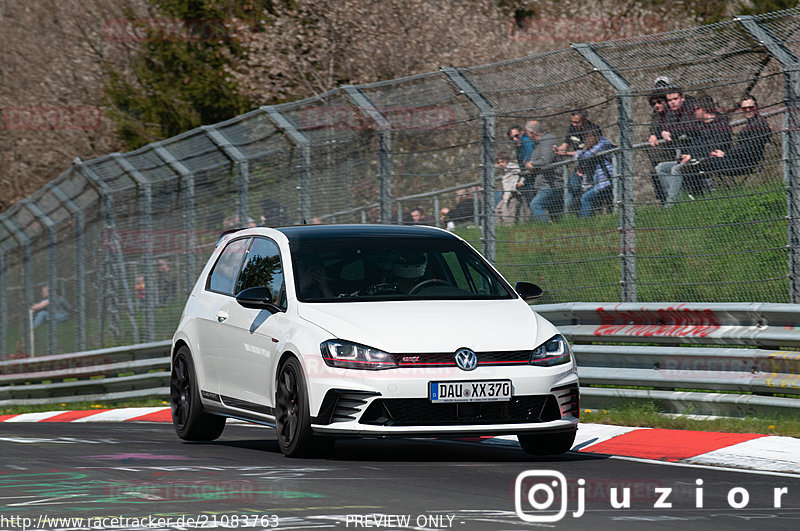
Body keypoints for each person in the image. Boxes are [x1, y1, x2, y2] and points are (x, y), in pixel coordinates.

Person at [656, 95, 732, 205]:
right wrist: (665, 132)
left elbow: (716, 148)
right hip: (693, 158)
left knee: (677, 169)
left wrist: (692, 157)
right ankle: (679, 198)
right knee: (661, 167)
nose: (694, 112)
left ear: (704, 109)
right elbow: (684, 132)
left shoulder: (720, 124)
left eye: (696, 109)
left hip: (708, 160)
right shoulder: (699, 124)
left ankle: (672, 204)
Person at [694, 95, 772, 185]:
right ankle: (701, 190)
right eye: (744, 108)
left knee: (707, 162)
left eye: (750, 107)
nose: (748, 110)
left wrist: (725, 154)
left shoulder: (760, 124)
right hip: (737, 159)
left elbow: (748, 147)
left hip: (746, 164)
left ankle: (704, 190)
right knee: (703, 162)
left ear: (756, 107)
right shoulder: (753, 123)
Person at [553, 108, 602, 212]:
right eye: (572, 122)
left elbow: (588, 152)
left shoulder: (593, 129)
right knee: (572, 187)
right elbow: (565, 145)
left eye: (577, 122)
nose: (574, 124)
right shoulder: (572, 128)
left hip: (593, 167)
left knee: (589, 192)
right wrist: (559, 149)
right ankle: (571, 215)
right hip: (579, 166)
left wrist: (567, 154)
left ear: (584, 120)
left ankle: (592, 213)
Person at [523, 121, 560, 222]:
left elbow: (546, 160)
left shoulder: (547, 140)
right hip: (543, 182)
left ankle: (545, 228)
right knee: (555, 211)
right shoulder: (538, 143)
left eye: (527, 132)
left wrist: (532, 164)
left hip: (552, 182)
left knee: (536, 204)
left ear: (531, 132)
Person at [574, 126, 614, 217]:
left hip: (606, 180)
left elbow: (588, 155)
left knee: (585, 198)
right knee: (579, 199)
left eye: (588, 137)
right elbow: (578, 156)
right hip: (597, 181)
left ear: (595, 136)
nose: (586, 140)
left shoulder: (603, 143)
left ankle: (585, 221)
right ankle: (586, 218)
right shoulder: (593, 145)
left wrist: (585, 149)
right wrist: (584, 151)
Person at [646, 91, 673, 204]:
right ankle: (664, 202)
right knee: (656, 176)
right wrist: (654, 135)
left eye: (659, 102)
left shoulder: (672, 114)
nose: (656, 105)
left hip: (670, 153)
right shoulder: (655, 116)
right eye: (654, 104)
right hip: (657, 155)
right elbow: (655, 130)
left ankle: (671, 200)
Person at [494, 152, 521, 226]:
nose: (500, 164)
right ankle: (498, 228)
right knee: (497, 211)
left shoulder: (513, 167)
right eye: (499, 162)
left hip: (513, 194)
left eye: (502, 162)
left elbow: (520, 172)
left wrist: (519, 183)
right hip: (506, 195)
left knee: (508, 214)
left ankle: (510, 228)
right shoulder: (505, 171)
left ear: (507, 161)